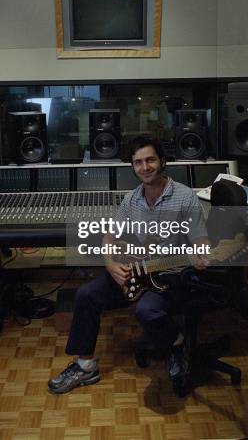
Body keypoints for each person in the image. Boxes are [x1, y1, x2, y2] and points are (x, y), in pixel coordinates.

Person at [48, 136, 209, 394]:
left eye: (150, 160)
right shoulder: (132, 199)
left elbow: (201, 241)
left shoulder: (185, 197)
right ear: (133, 167)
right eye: (138, 162)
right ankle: (85, 365)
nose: (145, 167)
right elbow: (109, 236)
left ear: (162, 161)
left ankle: (177, 343)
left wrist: (201, 256)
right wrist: (110, 263)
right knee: (86, 295)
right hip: (140, 269)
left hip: (170, 275)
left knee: (146, 311)